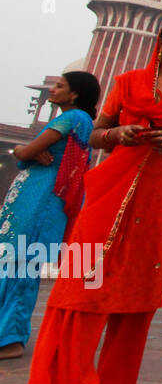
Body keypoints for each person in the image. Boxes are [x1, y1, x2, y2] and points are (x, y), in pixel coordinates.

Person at [18, 16, 162, 384]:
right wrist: (120, 134)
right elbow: (96, 135)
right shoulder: (128, 82)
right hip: (112, 190)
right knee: (83, 288)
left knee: (138, 297)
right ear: (160, 40)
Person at [0, 71, 101, 360]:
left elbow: (24, 152)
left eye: (59, 86)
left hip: (41, 199)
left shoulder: (73, 118)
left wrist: (25, 151)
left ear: (75, 94)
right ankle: (5, 334)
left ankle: (11, 339)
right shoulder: (77, 120)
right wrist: (31, 153)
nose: (53, 90)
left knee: (20, 267)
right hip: (35, 197)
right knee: (13, 264)